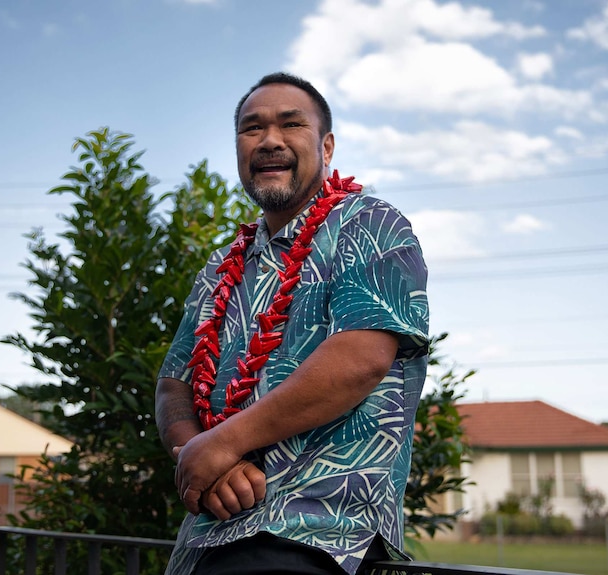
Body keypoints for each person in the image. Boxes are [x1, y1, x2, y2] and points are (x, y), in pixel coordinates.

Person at [155, 72, 429, 575]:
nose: (270, 141)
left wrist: (225, 441)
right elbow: (174, 384)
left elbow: (361, 359)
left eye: (290, 124)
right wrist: (199, 457)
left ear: (326, 146)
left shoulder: (371, 225)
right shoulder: (220, 267)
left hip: (316, 535)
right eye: (251, 128)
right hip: (207, 536)